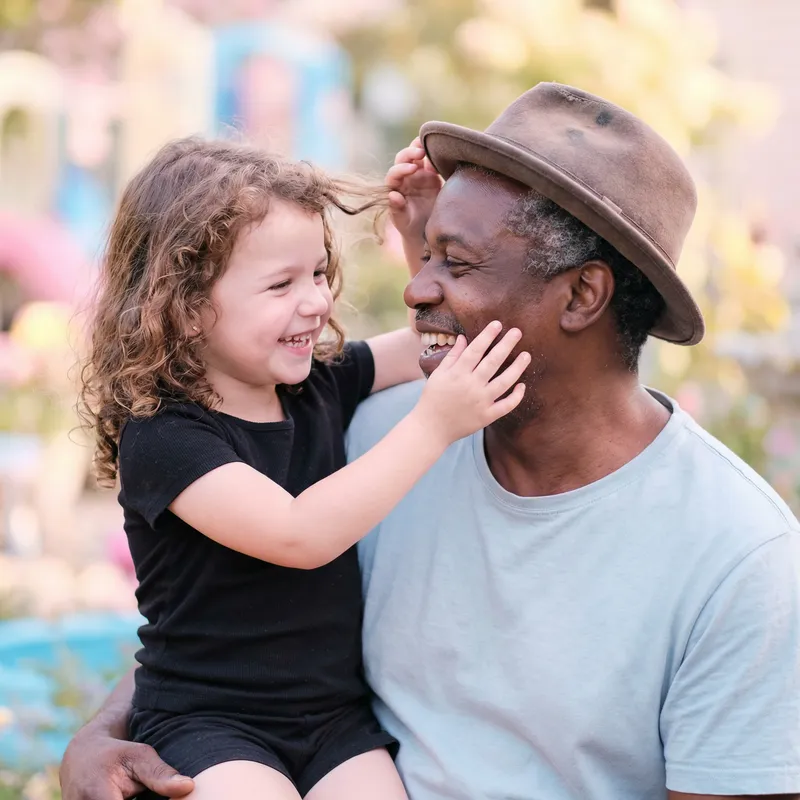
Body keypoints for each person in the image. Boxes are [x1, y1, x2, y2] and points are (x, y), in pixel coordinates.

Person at [62, 84, 800, 800]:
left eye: (460, 261)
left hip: (333, 741)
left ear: (583, 295)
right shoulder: (377, 433)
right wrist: (102, 731)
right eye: (429, 256)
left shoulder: (738, 559)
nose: (416, 289)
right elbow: (223, 608)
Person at [75, 137, 530, 800]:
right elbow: (298, 534)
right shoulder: (166, 438)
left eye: (318, 274)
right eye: (281, 284)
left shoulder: (319, 386)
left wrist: (422, 237)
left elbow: (435, 343)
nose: (316, 301)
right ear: (186, 305)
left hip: (331, 721)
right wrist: (433, 425)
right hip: (209, 722)